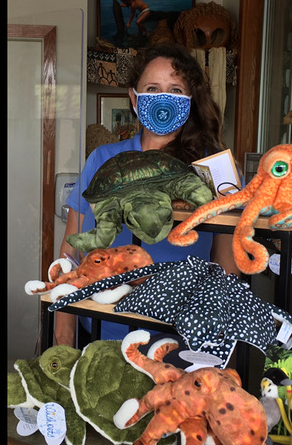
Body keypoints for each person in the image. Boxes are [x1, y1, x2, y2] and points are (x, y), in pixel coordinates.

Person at [56, 42, 237, 346]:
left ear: (191, 100)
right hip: (101, 331)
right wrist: (63, 335)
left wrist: (222, 352)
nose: (162, 98)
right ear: (134, 98)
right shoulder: (102, 159)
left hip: (181, 341)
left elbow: (226, 271)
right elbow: (70, 253)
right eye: (152, 88)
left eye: (176, 90)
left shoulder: (215, 169)